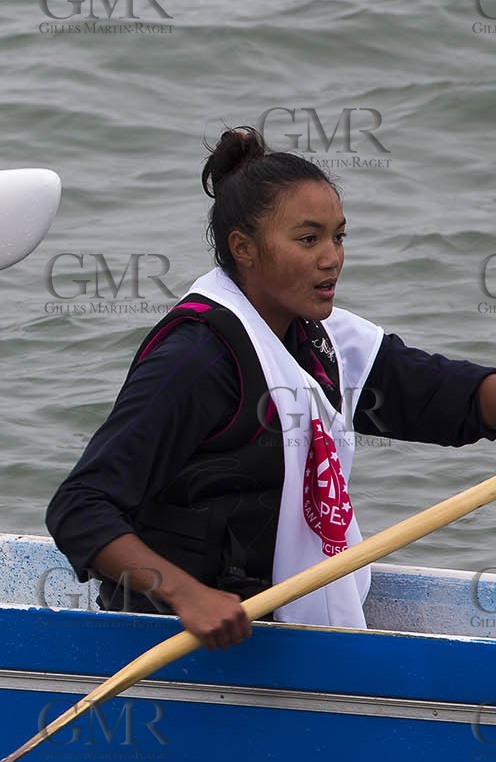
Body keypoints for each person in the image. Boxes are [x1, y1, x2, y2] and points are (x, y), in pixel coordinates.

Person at [46, 126, 496, 646]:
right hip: (177, 640)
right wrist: (188, 595)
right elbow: (79, 507)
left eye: (338, 236)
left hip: (278, 629)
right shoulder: (197, 358)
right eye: (308, 240)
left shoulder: (324, 340)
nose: (331, 258)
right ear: (245, 248)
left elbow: (447, 395)